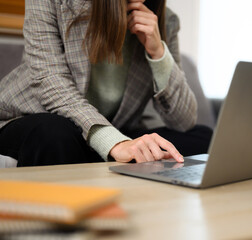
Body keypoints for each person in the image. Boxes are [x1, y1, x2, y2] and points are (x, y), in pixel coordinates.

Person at [0, 0, 212, 167]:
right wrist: (116, 143)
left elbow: (184, 121)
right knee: (54, 133)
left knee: (204, 138)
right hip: (34, 120)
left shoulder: (165, 22)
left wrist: (158, 53)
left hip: (115, 127)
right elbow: (50, 82)